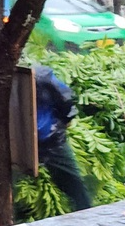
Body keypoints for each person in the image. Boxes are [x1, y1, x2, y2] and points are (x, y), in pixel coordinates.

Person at [34, 66, 92, 211]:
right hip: (23, 141)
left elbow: (66, 101)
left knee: (73, 183)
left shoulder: (42, 77)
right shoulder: (6, 79)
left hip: (51, 139)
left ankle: (85, 214)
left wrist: (65, 121)